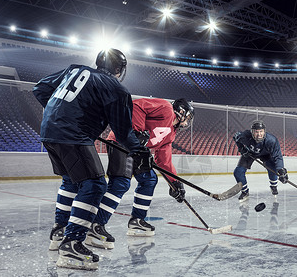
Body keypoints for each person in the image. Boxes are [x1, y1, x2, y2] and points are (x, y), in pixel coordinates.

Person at [33, 48, 150, 270]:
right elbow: (123, 133)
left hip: (49, 130)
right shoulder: (116, 88)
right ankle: (72, 244)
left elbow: (39, 89)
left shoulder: (74, 70)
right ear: (119, 69)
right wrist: (140, 151)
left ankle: (60, 231)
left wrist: (60, 112)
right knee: (95, 184)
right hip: (72, 134)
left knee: (70, 180)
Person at [84, 98, 194, 249]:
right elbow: (137, 105)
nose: (187, 123)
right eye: (188, 118)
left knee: (149, 179)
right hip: (122, 141)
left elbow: (164, 161)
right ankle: (96, 226)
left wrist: (175, 183)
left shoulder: (171, 134)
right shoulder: (166, 108)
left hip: (137, 150)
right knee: (120, 183)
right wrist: (137, 131)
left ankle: (137, 221)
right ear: (182, 112)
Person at [232, 120, 288, 202]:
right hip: (249, 153)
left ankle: (273, 186)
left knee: (272, 168)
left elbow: (278, 156)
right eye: (256, 132)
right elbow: (236, 137)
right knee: (238, 172)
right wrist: (242, 148)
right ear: (252, 132)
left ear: (264, 131)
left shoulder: (271, 140)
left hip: (265, 154)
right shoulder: (245, 136)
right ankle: (245, 191)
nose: (259, 134)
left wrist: (281, 170)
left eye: (261, 131)